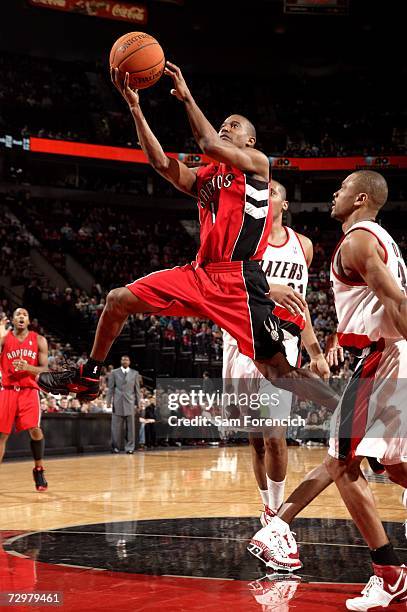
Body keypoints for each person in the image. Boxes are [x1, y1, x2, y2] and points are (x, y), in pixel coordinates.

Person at [37, 62, 338, 413]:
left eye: (233, 126)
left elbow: (207, 142)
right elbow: (161, 164)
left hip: (239, 279)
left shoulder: (258, 164)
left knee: (278, 371)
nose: (226, 128)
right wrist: (135, 107)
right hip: (200, 273)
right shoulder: (207, 177)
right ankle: (88, 373)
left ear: (250, 140)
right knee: (117, 299)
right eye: (224, 124)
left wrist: (187, 97)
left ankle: (347, 411)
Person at [248, 171, 407, 610]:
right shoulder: (383, 240)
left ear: (359, 198)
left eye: (339, 190)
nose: (332, 196)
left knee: (342, 459)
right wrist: (340, 339)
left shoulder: (356, 240)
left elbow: (396, 303)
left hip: (383, 358)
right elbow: (377, 305)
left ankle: (388, 573)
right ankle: (279, 524)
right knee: (391, 467)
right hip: (384, 352)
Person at [222, 180, 330, 535]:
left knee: (273, 435)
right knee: (255, 438)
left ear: (284, 204)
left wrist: (314, 352)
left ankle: (277, 514)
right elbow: (224, 290)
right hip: (241, 342)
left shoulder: (304, 246)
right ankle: (267, 507)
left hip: (281, 346)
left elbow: (301, 306)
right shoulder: (241, 241)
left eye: (273, 192)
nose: (265, 196)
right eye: (261, 192)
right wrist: (267, 290)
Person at [0, 308, 49, 491]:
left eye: (25, 315)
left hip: (28, 390)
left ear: (29, 321)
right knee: (1, 435)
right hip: (8, 390)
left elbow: (45, 369)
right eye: (18, 314)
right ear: (12, 320)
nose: (21, 317)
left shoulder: (39, 340)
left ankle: (39, 469)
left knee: (35, 430)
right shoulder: (4, 339)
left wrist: (28, 367)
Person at [106, 355, 141, 454]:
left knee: (131, 428)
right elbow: (111, 388)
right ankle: (115, 447)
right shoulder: (114, 372)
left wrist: (139, 403)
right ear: (121, 361)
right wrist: (108, 402)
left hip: (130, 403)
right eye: (123, 359)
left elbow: (137, 390)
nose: (125, 361)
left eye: (126, 360)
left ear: (129, 362)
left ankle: (130, 448)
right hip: (117, 402)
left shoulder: (135, 373)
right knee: (115, 428)